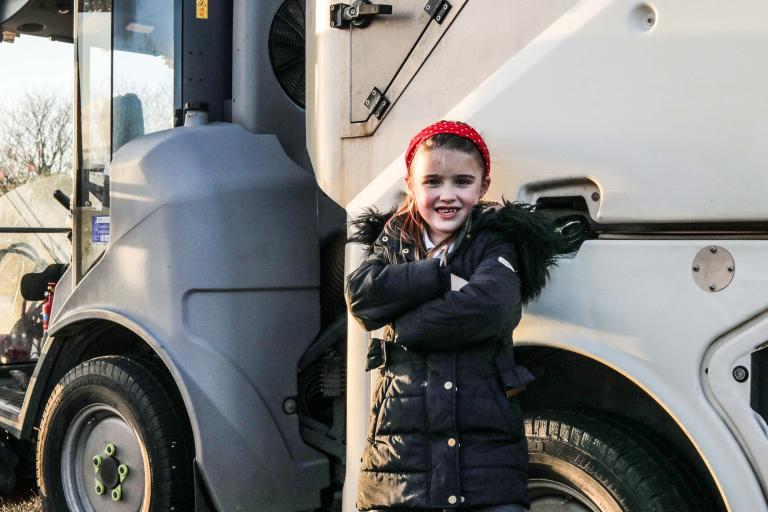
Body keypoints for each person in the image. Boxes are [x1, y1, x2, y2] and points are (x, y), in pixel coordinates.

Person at [345, 120, 560, 512]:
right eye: (432, 182)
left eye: (462, 182)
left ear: (483, 186)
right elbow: (361, 298)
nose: (447, 196)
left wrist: (401, 324)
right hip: (397, 461)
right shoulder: (393, 240)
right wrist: (441, 276)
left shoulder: (494, 241)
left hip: (485, 462)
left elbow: (491, 308)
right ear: (411, 185)